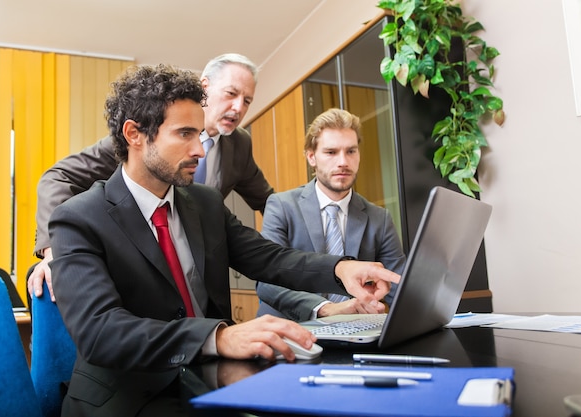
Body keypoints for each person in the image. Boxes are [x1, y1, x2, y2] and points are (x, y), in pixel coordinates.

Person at [48, 64, 399, 417]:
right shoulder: (78, 219)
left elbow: (269, 259)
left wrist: (341, 268)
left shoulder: (205, 203)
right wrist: (216, 337)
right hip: (127, 398)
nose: (199, 150)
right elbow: (100, 332)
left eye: (199, 134)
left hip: (214, 380)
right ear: (134, 134)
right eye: (184, 134)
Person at [29, 53, 273, 301]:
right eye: (231, 94)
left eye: (247, 101)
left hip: (198, 273)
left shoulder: (239, 144)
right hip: (144, 267)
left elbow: (268, 200)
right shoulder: (142, 139)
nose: (239, 107)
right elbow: (58, 177)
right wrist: (54, 251)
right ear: (205, 88)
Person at [256, 108, 406, 321]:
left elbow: (399, 285)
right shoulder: (281, 206)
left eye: (351, 151)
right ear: (311, 157)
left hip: (355, 332)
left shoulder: (379, 218)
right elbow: (267, 282)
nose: (343, 162)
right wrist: (324, 308)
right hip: (288, 331)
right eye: (331, 152)